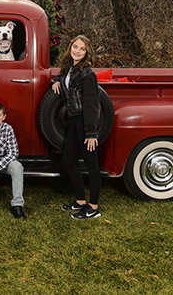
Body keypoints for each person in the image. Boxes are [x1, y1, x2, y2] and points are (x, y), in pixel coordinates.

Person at [52, 35, 102, 219]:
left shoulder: (87, 74)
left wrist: (91, 132)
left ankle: (94, 207)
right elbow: (62, 76)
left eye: (82, 49)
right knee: (68, 160)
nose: (77, 51)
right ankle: (80, 201)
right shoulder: (70, 68)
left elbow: (92, 104)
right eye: (75, 47)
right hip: (73, 121)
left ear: (87, 52)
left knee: (91, 164)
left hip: (85, 122)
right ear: (70, 47)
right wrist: (57, 80)